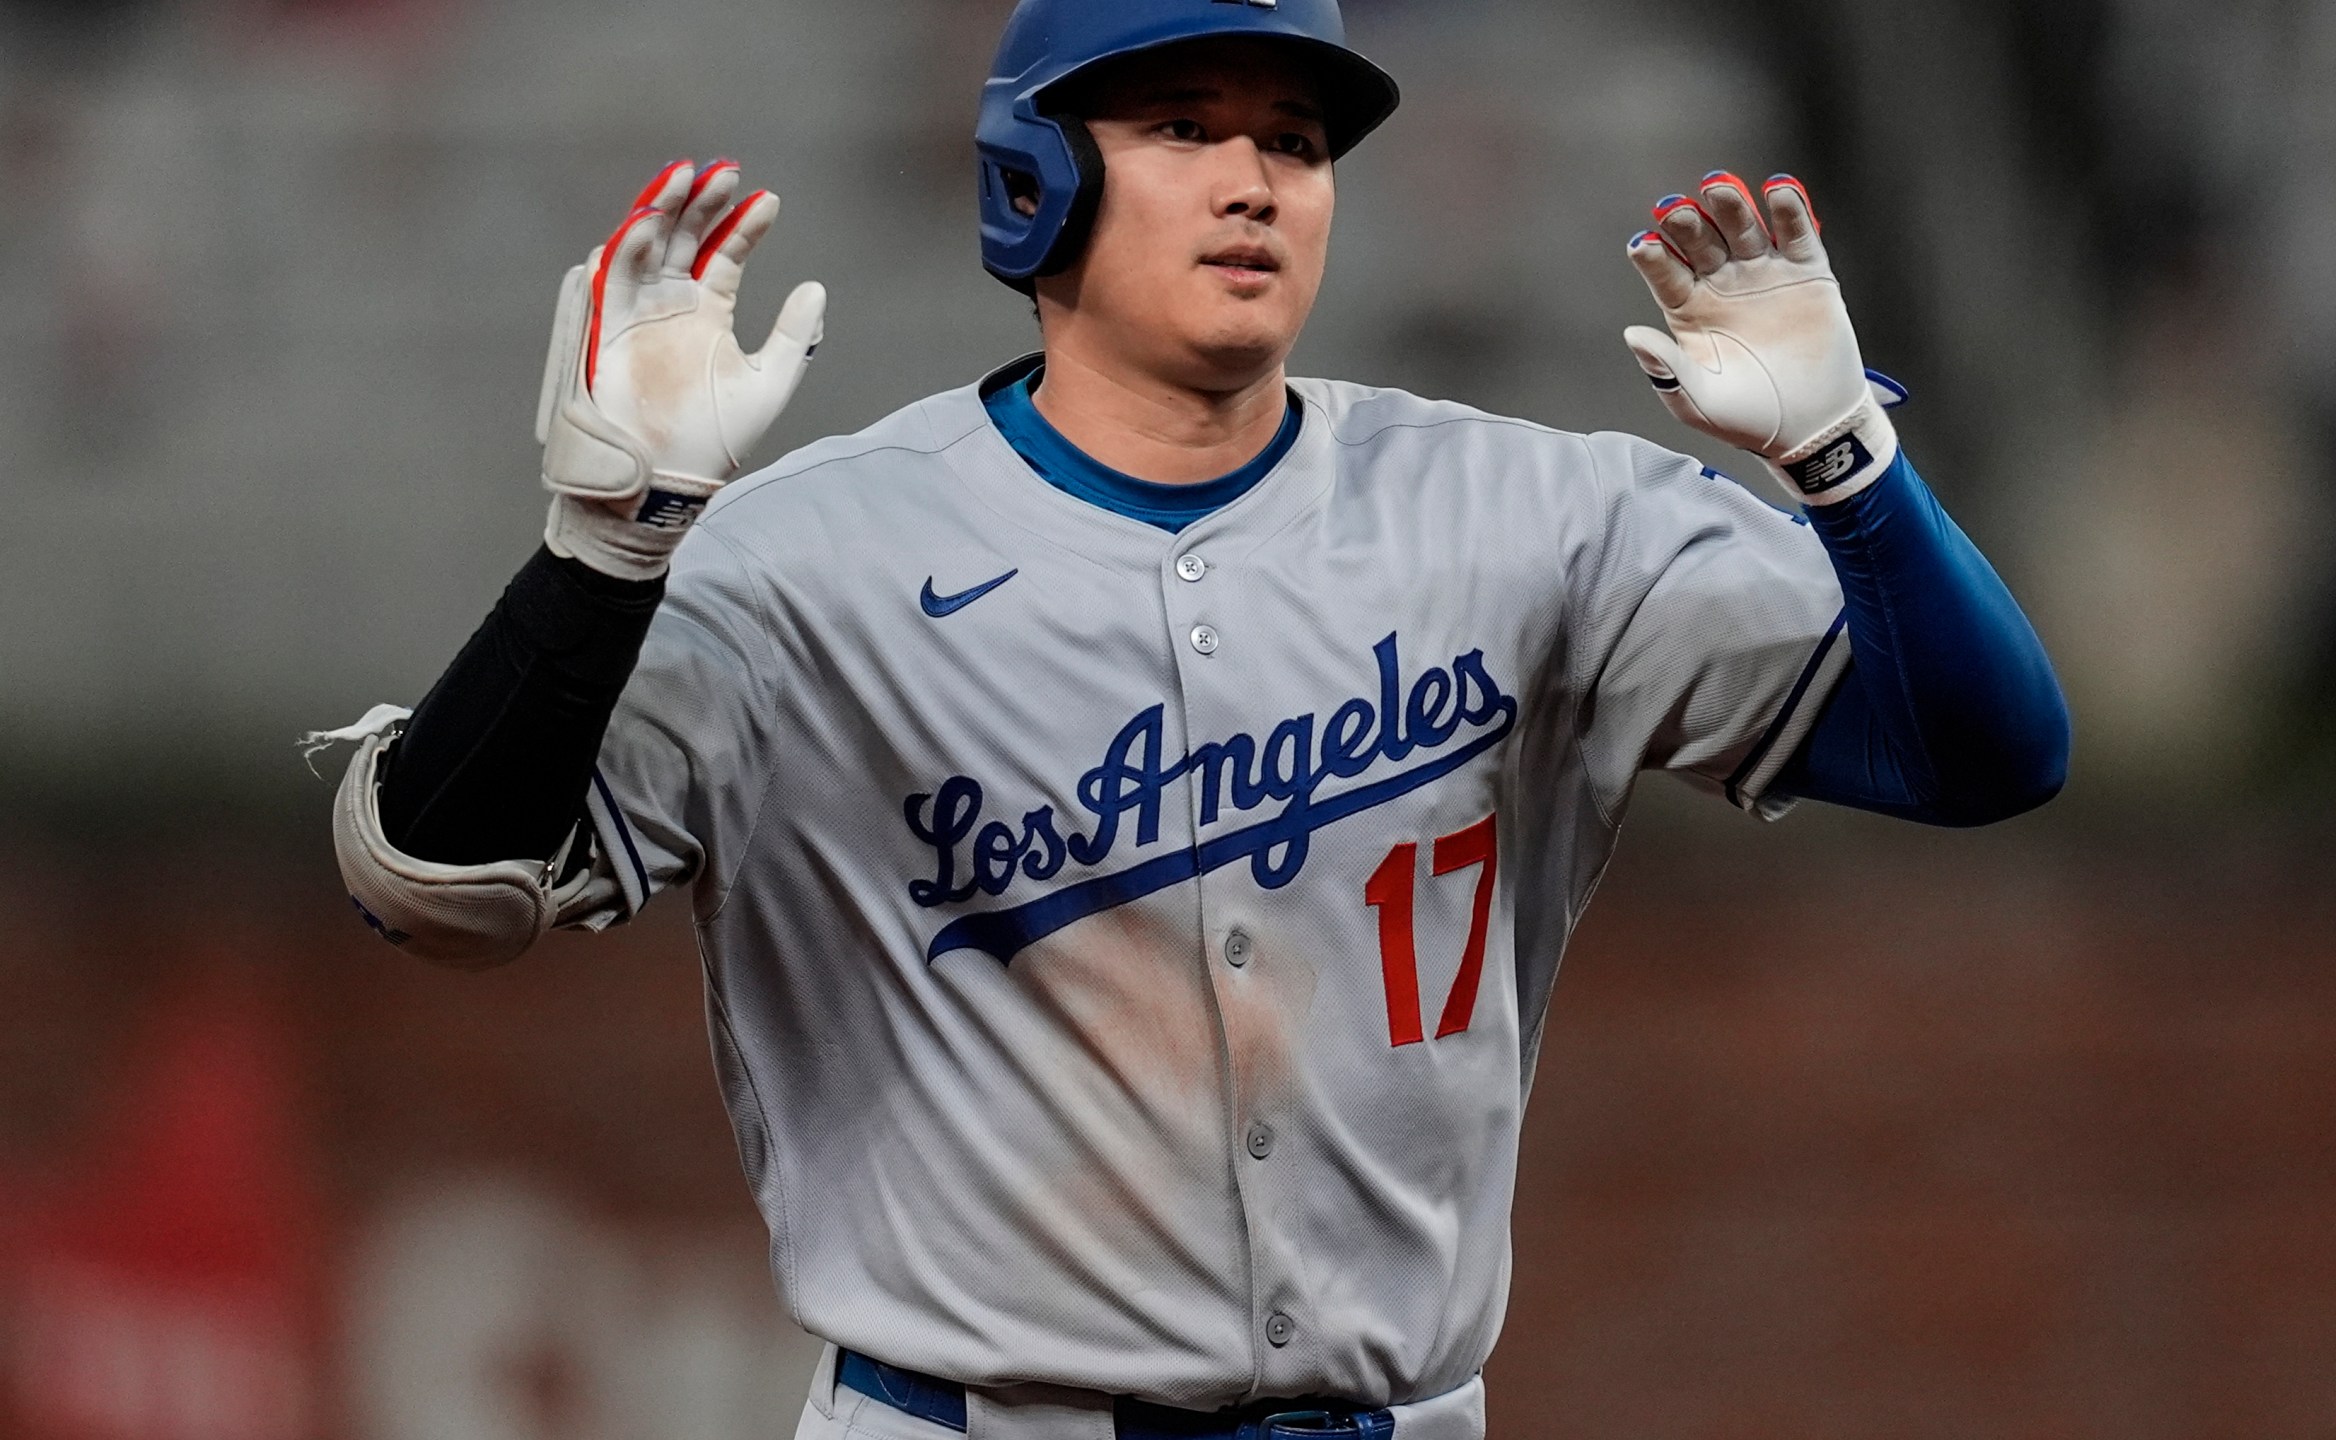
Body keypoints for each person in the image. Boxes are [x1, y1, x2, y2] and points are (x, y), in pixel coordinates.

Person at [315, 2, 2068, 1435]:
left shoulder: (1526, 514)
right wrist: (601, 549)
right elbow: (436, 880)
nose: (1254, 181)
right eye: (1181, 127)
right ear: (1028, 183)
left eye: (1294, 143)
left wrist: (1854, 469)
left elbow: (1988, 754)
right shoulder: (806, 560)